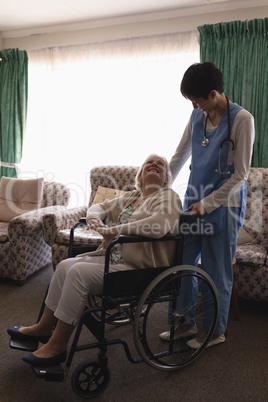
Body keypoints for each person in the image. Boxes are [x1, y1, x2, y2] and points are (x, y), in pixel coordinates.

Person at [8, 154, 182, 366]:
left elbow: (158, 226)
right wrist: (93, 218)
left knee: (77, 274)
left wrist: (113, 231)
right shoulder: (131, 197)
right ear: (140, 175)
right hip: (114, 257)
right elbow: (101, 206)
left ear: (165, 178)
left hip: (140, 267)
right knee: (64, 266)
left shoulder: (169, 197)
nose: (154, 164)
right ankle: (44, 327)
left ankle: (58, 345)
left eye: (160, 164)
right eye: (149, 163)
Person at [159, 62, 255, 348]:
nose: (195, 106)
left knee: (216, 271)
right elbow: (179, 156)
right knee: (183, 265)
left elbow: (241, 175)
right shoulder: (196, 117)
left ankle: (214, 331)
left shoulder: (242, 120)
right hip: (194, 202)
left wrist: (209, 203)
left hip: (224, 206)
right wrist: (160, 189)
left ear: (213, 94)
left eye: (198, 100)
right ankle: (185, 322)